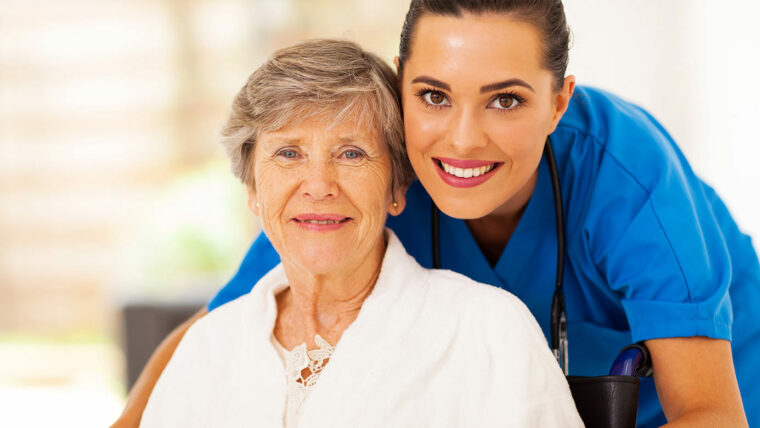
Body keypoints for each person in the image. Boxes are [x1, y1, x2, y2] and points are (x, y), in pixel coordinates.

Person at [114, 1, 760, 427]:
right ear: (403, 83)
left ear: (560, 101)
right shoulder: (364, 172)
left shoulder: (626, 178)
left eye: (506, 101)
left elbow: (709, 410)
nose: (460, 140)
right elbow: (230, 321)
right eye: (433, 95)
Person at [138, 39, 583, 427]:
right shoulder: (207, 349)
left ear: (396, 188)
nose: (318, 185)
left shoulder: (488, 330)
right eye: (289, 153)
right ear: (253, 189)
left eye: (351, 153)